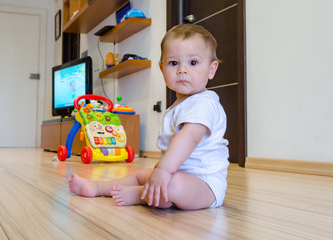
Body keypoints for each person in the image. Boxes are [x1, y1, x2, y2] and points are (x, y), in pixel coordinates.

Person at [68, 24, 229, 210]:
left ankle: (139, 194)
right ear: (162, 69)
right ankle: (97, 187)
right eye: (173, 63)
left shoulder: (204, 103)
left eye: (193, 63)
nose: (182, 70)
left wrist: (164, 169)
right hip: (177, 175)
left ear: (211, 69)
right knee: (143, 175)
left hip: (205, 186)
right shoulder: (179, 106)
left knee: (169, 184)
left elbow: (190, 136)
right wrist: (161, 171)